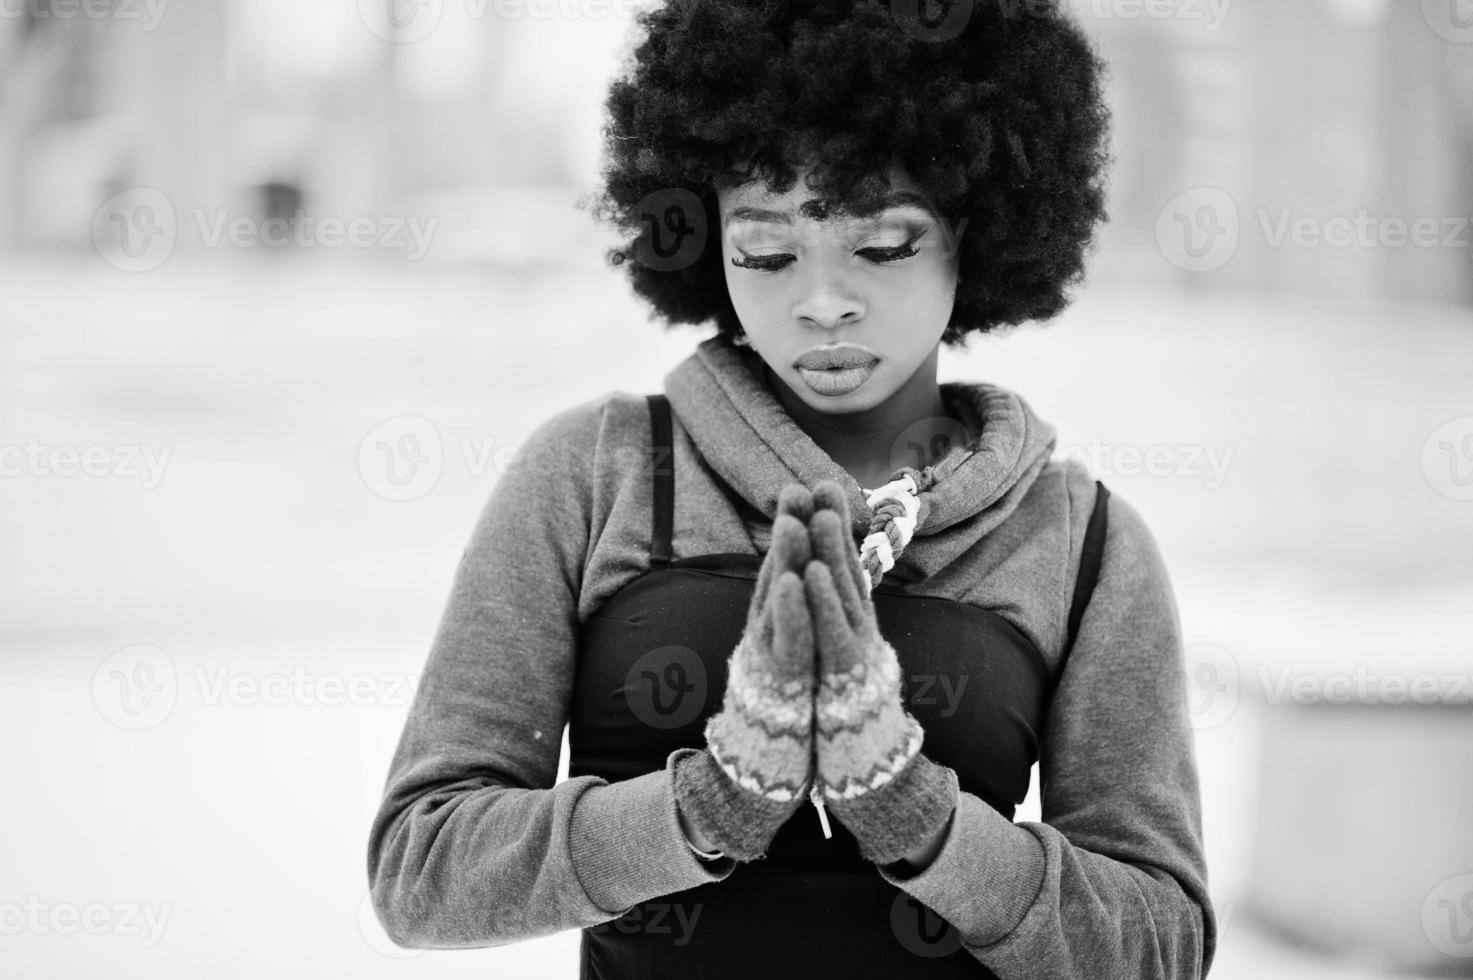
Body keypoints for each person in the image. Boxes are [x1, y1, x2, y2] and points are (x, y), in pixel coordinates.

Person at [366, 0, 1216, 976]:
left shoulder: (1080, 541)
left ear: (975, 226)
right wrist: (701, 808)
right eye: (766, 252)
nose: (821, 300)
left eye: (884, 244)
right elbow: (420, 869)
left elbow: (1163, 940)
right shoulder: (593, 474)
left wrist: (922, 818)